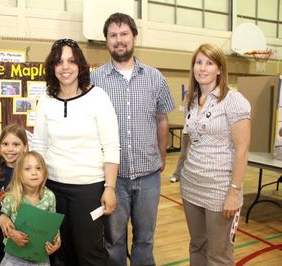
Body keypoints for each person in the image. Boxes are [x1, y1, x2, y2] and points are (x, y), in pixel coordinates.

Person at [90, 13, 175, 266]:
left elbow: (162, 119)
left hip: (149, 176)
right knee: (114, 240)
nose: (119, 40)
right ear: (106, 41)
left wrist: (162, 155)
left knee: (145, 239)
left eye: (124, 34)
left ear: (134, 37)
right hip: (114, 179)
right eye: (113, 35)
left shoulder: (155, 77)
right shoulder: (95, 81)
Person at [33, 38, 120, 266]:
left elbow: (111, 146)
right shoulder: (45, 100)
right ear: (52, 67)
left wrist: (109, 188)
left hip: (89, 189)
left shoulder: (98, 97)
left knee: (89, 251)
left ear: (80, 65)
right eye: (59, 62)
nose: (65, 67)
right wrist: (34, 188)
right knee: (62, 250)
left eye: (71, 61)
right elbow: (39, 146)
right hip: (52, 188)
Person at [181, 43, 251, 265]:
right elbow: (191, 140)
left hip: (219, 189)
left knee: (218, 254)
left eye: (209, 63)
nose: (202, 68)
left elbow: (242, 150)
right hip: (191, 185)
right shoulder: (191, 100)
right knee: (197, 245)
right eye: (199, 62)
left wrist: (234, 192)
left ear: (219, 69)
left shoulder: (233, 100)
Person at [0, 151, 61, 266]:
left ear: (45, 172)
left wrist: (57, 242)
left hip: (40, 259)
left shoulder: (49, 197)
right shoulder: (11, 198)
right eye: (27, 169)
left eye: (38, 168)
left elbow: (53, 225)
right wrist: (12, 234)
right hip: (14, 258)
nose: (34, 173)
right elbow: (4, 223)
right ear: (19, 174)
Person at [0, 124, 29, 266]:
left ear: (25, 147)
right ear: (0, 146)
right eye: (5, 144)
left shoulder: (31, 172)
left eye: (16, 144)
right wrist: (0, 217)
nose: (10, 149)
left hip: (24, 236)